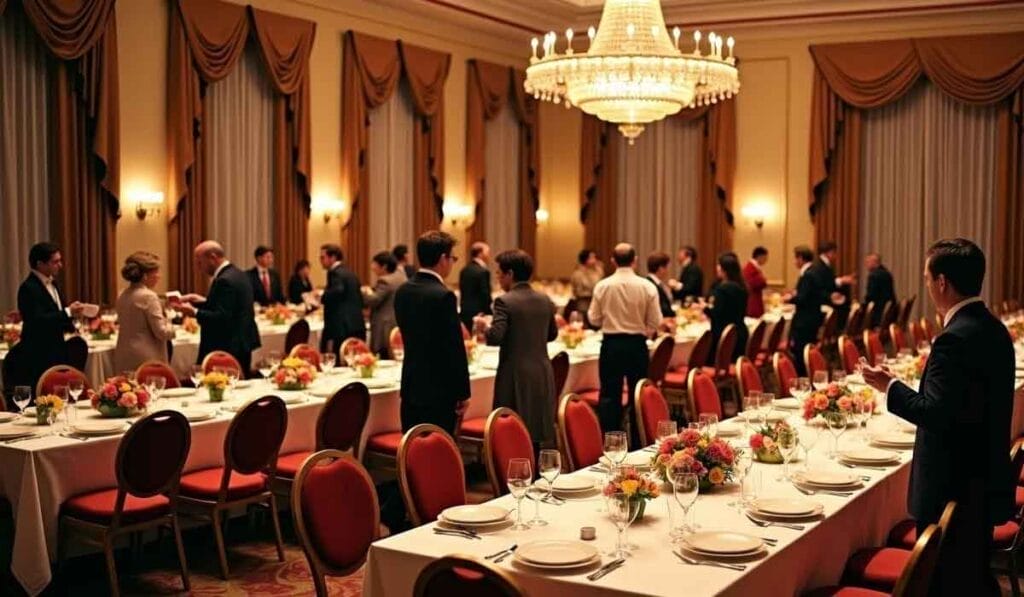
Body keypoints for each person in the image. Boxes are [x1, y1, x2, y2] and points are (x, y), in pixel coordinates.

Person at [862, 238, 1013, 595]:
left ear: (942, 282)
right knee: (970, 576)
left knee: (946, 582)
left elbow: (936, 414)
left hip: (952, 486)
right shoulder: (994, 330)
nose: (927, 285)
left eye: (928, 278)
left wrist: (891, 386)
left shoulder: (954, 339)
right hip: (982, 482)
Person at [477, 249, 558, 448]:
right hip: (541, 371)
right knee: (535, 431)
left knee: (512, 430)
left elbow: (496, 336)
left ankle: (514, 473)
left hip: (514, 373)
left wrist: (483, 327)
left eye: (499, 273)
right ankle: (537, 474)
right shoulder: (544, 299)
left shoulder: (504, 301)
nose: (497, 278)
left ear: (510, 274)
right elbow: (552, 334)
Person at [394, 231, 470, 434]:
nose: (452, 263)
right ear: (443, 258)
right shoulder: (443, 295)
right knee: (437, 452)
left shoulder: (403, 291)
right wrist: (463, 392)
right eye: (452, 258)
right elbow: (453, 347)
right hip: (439, 390)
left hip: (411, 385)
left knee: (412, 449)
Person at [588, 243, 661, 446]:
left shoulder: (603, 286)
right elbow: (655, 321)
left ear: (612, 261)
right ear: (635, 260)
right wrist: (642, 331)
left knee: (610, 395)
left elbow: (593, 319)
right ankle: (639, 441)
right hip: (637, 345)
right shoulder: (647, 286)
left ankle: (611, 443)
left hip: (611, 345)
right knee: (639, 394)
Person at [177, 241, 260, 374]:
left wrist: (194, 312)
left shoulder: (224, 280)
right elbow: (230, 306)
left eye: (200, 262)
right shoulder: (238, 273)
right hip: (241, 341)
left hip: (227, 344)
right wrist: (201, 301)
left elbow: (222, 317)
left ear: (213, 258)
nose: (198, 267)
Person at [17, 242, 84, 391]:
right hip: (38, 351)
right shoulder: (28, 288)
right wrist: (67, 312)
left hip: (57, 348)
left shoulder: (54, 284)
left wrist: (72, 317)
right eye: (55, 261)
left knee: (59, 392)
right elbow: (36, 321)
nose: (60, 265)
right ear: (40, 264)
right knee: (44, 394)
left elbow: (56, 312)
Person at [113, 252, 175, 373]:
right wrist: (173, 326)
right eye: (156, 272)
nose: (159, 276)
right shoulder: (148, 296)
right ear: (145, 276)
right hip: (146, 357)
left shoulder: (122, 294)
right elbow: (161, 332)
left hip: (124, 355)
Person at [785, 245, 827, 376]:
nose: (794, 262)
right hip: (813, 318)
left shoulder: (808, 274)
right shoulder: (815, 271)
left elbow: (803, 298)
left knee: (800, 353)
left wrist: (789, 299)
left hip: (805, 320)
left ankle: (802, 380)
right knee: (807, 353)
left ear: (801, 258)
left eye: (795, 258)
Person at [318, 244, 365, 359]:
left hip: (341, 325)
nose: (320, 261)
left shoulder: (335, 273)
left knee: (339, 360)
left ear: (333, 257)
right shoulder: (350, 272)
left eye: (323, 258)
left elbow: (337, 291)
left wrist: (322, 296)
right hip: (356, 322)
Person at [705, 252, 749, 361]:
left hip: (725, 339)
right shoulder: (742, 287)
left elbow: (717, 314)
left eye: (718, 265)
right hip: (740, 335)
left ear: (723, 269)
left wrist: (704, 309)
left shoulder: (722, 289)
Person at [363, 251, 407, 358]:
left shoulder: (384, 281)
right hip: (397, 321)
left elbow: (373, 301)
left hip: (384, 324)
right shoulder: (402, 277)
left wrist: (366, 292)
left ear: (384, 266)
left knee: (382, 355)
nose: (372, 267)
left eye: (374, 264)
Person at [809, 240, 856, 329]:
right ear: (829, 252)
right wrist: (841, 281)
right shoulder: (819, 265)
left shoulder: (823, 264)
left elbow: (828, 280)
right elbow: (822, 284)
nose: (836, 256)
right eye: (835, 253)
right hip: (824, 301)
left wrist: (841, 280)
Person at [458, 242, 492, 331]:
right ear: (480, 253)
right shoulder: (483, 271)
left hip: (465, 312)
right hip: (479, 315)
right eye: (487, 252)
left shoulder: (464, 270)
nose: (489, 255)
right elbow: (485, 294)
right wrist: (489, 313)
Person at [570, 249, 603, 323]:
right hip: (583, 304)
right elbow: (581, 291)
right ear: (586, 260)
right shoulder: (578, 274)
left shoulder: (596, 271)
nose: (595, 260)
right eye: (592, 258)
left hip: (595, 303)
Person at [864, 252, 896, 327]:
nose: (866, 265)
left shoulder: (873, 276)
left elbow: (871, 297)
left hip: (878, 315)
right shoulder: (887, 273)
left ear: (874, 262)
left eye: (868, 262)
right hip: (890, 313)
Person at [645, 251, 675, 318]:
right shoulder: (651, 284)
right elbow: (663, 309)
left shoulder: (653, 282)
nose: (668, 270)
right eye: (667, 267)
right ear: (661, 268)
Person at [743, 246, 769, 318]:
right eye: (765, 258)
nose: (766, 260)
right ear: (760, 256)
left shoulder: (753, 267)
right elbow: (759, 283)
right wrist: (764, 280)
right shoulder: (750, 268)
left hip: (755, 299)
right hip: (752, 302)